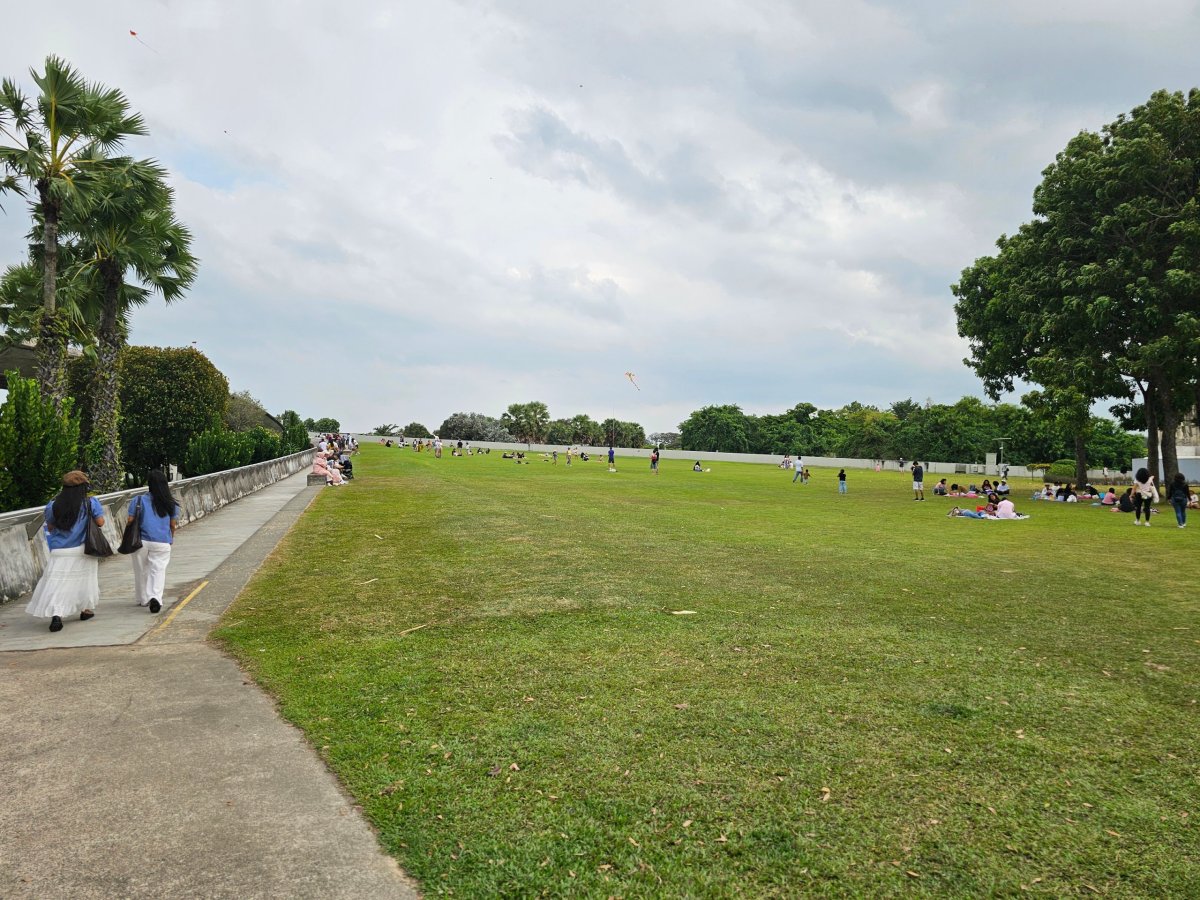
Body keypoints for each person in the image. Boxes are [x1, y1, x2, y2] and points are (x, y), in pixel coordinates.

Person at [26, 471, 105, 632]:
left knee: (58, 582)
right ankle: (85, 610)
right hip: (83, 549)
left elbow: (50, 526)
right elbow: (100, 522)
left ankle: (57, 614)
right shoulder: (90, 503)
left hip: (59, 550)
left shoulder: (52, 505)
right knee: (85, 580)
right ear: (83, 486)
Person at [129, 470, 180, 613]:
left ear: (149, 484)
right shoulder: (171, 503)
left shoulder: (138, 500)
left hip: (141, 541)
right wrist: (171, 538)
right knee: (158, 570)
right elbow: (172, 525)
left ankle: (143, 599)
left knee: (141, 570)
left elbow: (130, 521)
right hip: (162, 541)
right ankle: (156, 597)